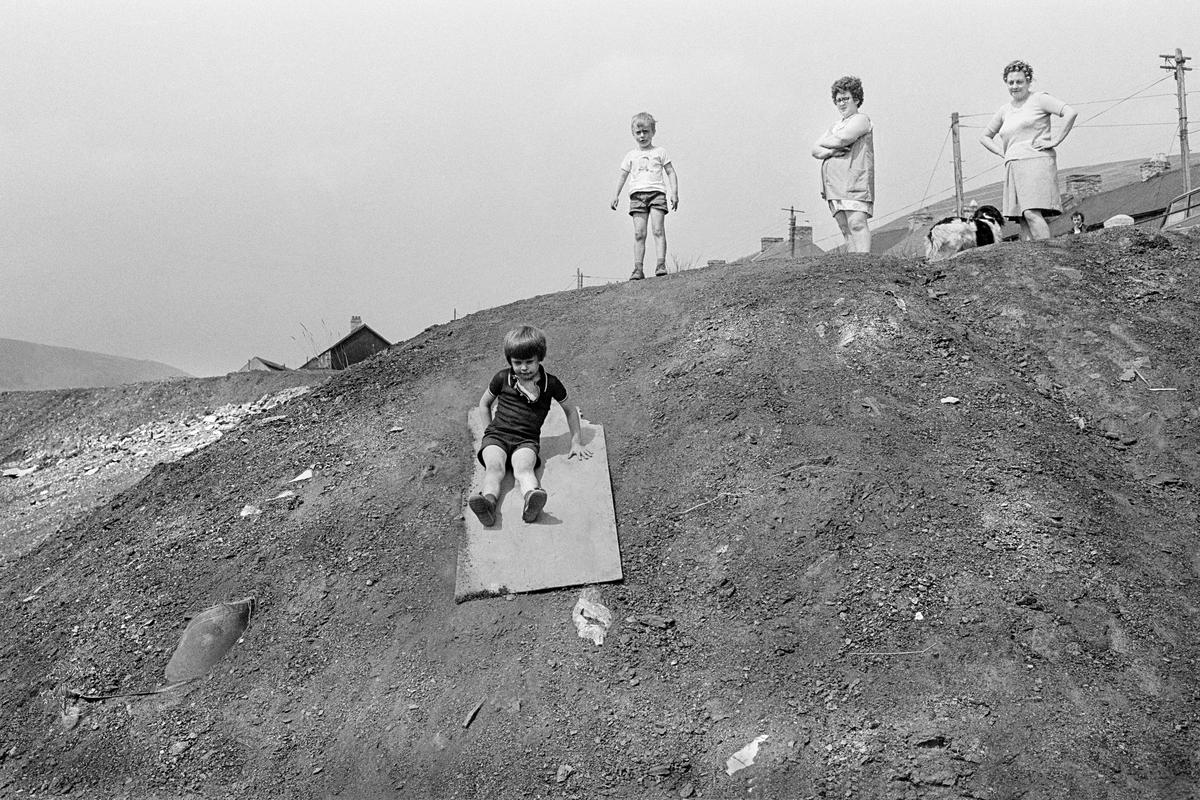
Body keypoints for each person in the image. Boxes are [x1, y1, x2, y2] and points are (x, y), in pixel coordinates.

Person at [467, 325, 591, 527]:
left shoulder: (550, 383)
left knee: (524, 469)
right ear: (510, 361)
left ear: (539, 358)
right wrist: (487, 433)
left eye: (529, 362)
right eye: (517, 362)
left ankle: (532, 501)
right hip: (497, 436)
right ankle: (488, 505)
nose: (524, 368)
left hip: (526, 440)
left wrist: (576, 442)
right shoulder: (502, 378)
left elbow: (569, 409)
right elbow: (484, 404)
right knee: (494, 468)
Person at [979, 59, 1078, 241]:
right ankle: (1031, 264)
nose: (1015, 86)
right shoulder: (1005, 110)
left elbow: (1070, 113)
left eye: (1019, 82)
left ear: (1028, 81)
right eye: (1011, 82)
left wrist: (1056, 140)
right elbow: (984, 137)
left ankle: (1050, 255)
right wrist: (1003, 153)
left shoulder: (1040, 99)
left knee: (1032, 212)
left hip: (1036, 161)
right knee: (1023, 217)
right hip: (1013, 165)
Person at [611, 112, 679, 280]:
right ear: (633, 134)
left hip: (656, 194)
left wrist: (674, 193)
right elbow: (622, 176)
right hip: (637, 196)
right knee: (639, 233)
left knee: (658, 229)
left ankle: (660, 264)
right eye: (638, 133)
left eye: (646, 132)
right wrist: (615, 195)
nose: (642, 136)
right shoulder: (631, 155)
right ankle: (638, 268)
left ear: (653, 132)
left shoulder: (660, 152)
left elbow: (670, 172)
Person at [812, 76, 875, 253]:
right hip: (834, 185)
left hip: (854, 181)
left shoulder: (861, 119)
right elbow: (815, 149)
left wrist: (827, 143)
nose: (841, 103)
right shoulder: (835, 125)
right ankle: (852, 263)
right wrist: (830, 151)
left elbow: (844, 138)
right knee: (844, 226)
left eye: (845, 98)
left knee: (856, 223)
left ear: (856, 98)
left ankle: (863, 261)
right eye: (838, 100)